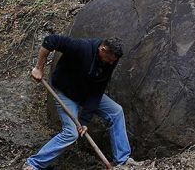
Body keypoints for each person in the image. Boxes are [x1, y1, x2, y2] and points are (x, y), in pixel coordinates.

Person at [24, 35, 140, 169]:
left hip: (86, 93)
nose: (110, 63)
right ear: (102, 49)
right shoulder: (81, 47)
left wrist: (84, 121)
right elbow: (50, 41)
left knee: (116, 111)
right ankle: (33, 164)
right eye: (109, 59)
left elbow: (97, 91)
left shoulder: (111, 61)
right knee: (71, 133)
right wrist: (39, 68)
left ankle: (123, 160)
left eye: (113, 61)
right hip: (66, 93)